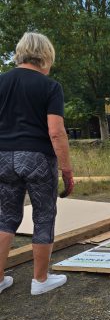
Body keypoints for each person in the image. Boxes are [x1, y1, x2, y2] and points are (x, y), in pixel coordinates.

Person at [0, 32, 74, 296]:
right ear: (45, 56)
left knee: (5, 217)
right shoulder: (49, 86)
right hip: (37, 158)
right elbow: (56, 131)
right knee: (43, 215)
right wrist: (66, 169)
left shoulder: (1, 81)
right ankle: (40, 280)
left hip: (3, 157)